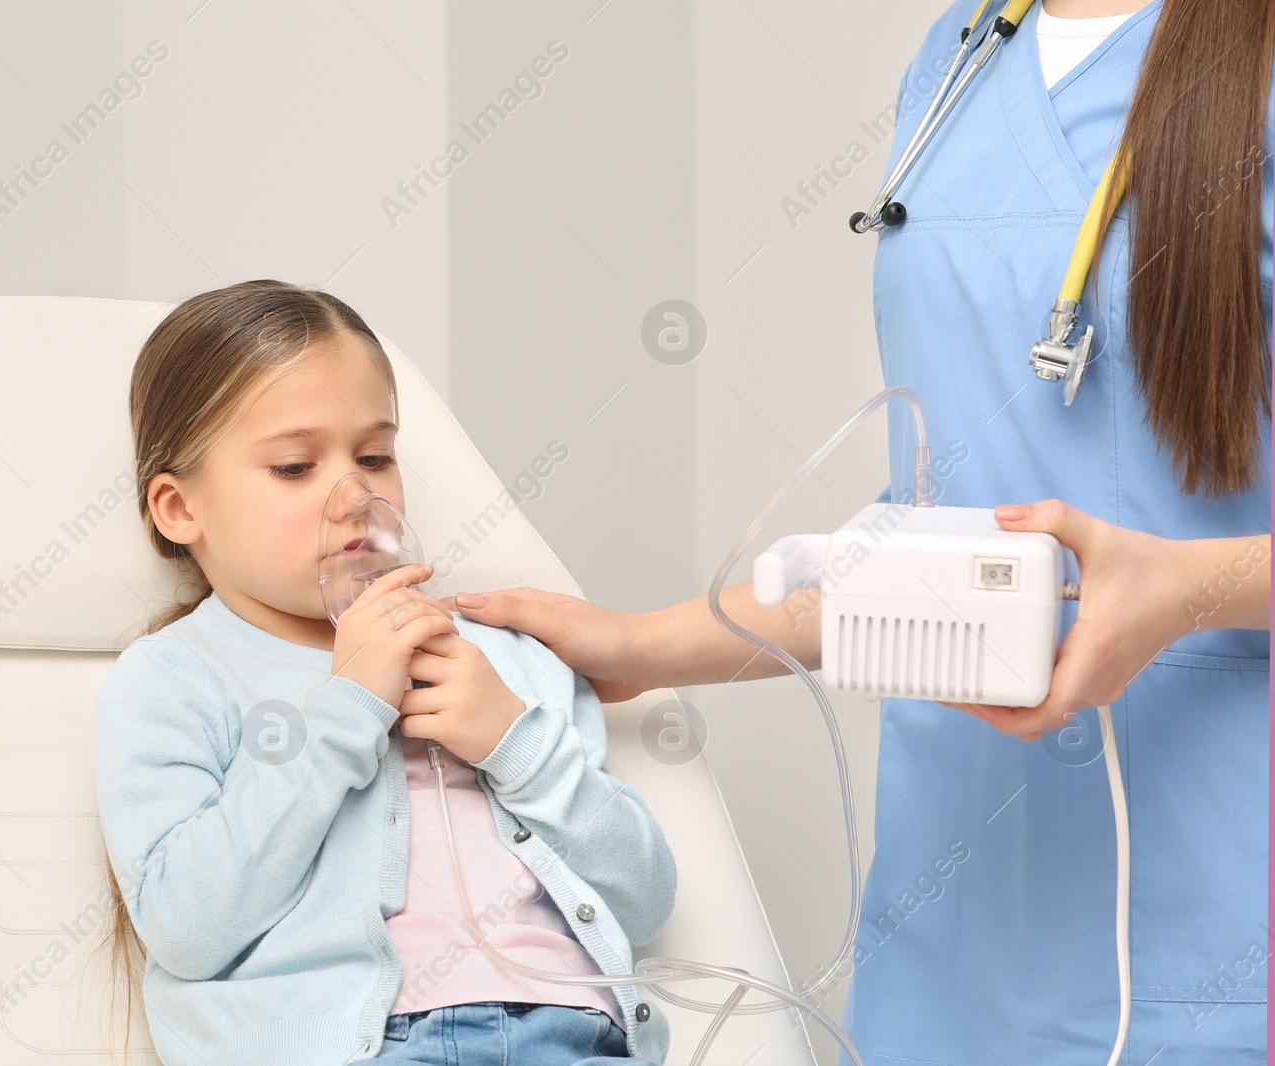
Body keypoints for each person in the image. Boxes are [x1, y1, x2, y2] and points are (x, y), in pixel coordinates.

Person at [446, 1, 1273, 1063]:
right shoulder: (967, 46)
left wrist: (1183, 586)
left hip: (1211, 890)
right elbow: (932, 551)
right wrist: (638, 646)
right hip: (957, 894)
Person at [91, 280, 677, 1066]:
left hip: (572, 1038)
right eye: (295, 466)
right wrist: (345, 707)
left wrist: (517, 745)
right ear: (178, 509)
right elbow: (188, 929)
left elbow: (645, 897)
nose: (355, 495)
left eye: (375, 456)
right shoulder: (175, 678)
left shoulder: (505, 660)